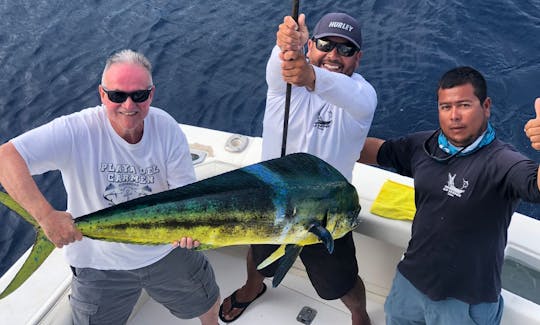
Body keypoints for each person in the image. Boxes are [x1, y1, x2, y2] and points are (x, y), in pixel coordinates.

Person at [0, 49, 220, 325]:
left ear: (151, 94)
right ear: (102, 94)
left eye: (139, 95)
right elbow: (5, 158)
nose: (129, 105)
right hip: (98, 261)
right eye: (117, 95)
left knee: (207, 301)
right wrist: (45, 216)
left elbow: (185, 198)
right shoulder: (76, 130)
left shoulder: (167, 128)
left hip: (165, 251)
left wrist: (190, 230)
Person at [219, 13, 377, 324]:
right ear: (310, 45)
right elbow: (280, 65)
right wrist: (288, 45)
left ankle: (360, 315)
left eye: (345, 50)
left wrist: (309, 74)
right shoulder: (284, 81)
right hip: (272, 200)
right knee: (261, 259)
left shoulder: (362, 97)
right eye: (326, 45)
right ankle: (254, 288)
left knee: (341, 283)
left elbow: (324, 82)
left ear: (357, 58)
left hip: (327, 213)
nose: (333, 55)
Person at [358, 66, 540, 325]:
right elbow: (379, 151)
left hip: (466, 300)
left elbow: (535, 185)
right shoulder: (423, 145)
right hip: (410, 280)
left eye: (464, 105)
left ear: (486, 106)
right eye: (446, 107)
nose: (454, 116)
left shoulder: (502, 162)